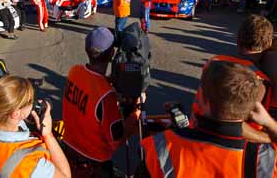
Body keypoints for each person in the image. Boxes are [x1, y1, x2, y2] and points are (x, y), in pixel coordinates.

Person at [141, 61, 277, 178]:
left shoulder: (160, 147)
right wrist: (268, 122)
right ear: (252, 107)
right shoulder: (266, 160)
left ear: (202, 98)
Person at [62, 27, 140, 177]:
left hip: (69, 151)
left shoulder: (74, 72)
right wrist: (134, 117)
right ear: (111, 54)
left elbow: (91, 85)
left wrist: (108, 81)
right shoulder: (106, 96)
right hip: (94, 163)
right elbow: (116, 141)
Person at [0, 75, 71, 178]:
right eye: (30, 101)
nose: (34, 103)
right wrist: (48, 135)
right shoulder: (31, 164)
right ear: (16, 114)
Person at [191, 15, 275, 143]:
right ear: (269, 43)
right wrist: (269, 138)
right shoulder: (259, 82)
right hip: (228, 150)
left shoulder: (213, 62)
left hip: (195, 131)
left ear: (238, 39)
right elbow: (233, 126)